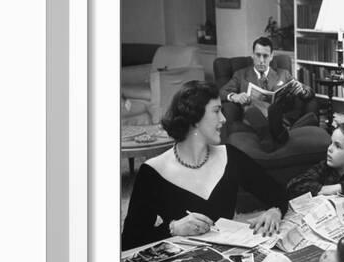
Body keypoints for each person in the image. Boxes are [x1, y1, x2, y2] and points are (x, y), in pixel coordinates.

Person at [122, 81, 288, 251]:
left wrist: (274, 211)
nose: (223, 119)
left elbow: (279, 193)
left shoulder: (230, 156)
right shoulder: (152, 172)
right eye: (216, 111)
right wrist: (173, 228)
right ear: (194, 118)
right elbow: (130, 242)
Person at [219, 36, 318, 147]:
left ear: (271, 57)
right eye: (258, 55)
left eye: (265, 56)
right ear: (253, 55)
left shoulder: (283, 74)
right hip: (254, 118)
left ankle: (270, 135)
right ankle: (275, 134)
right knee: (251, 110)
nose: (261, 60)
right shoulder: (241, 75)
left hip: (279, 118)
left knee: (275, 109)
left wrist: (302, 91)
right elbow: (222, 92)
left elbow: (309, 91)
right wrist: (234, 96)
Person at [286, 123, 344, 198]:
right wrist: (322, 190)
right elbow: (295, 184)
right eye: (331, 143)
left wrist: (334, 189)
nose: (329, 148)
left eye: (337, 146)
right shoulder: (325, 166)